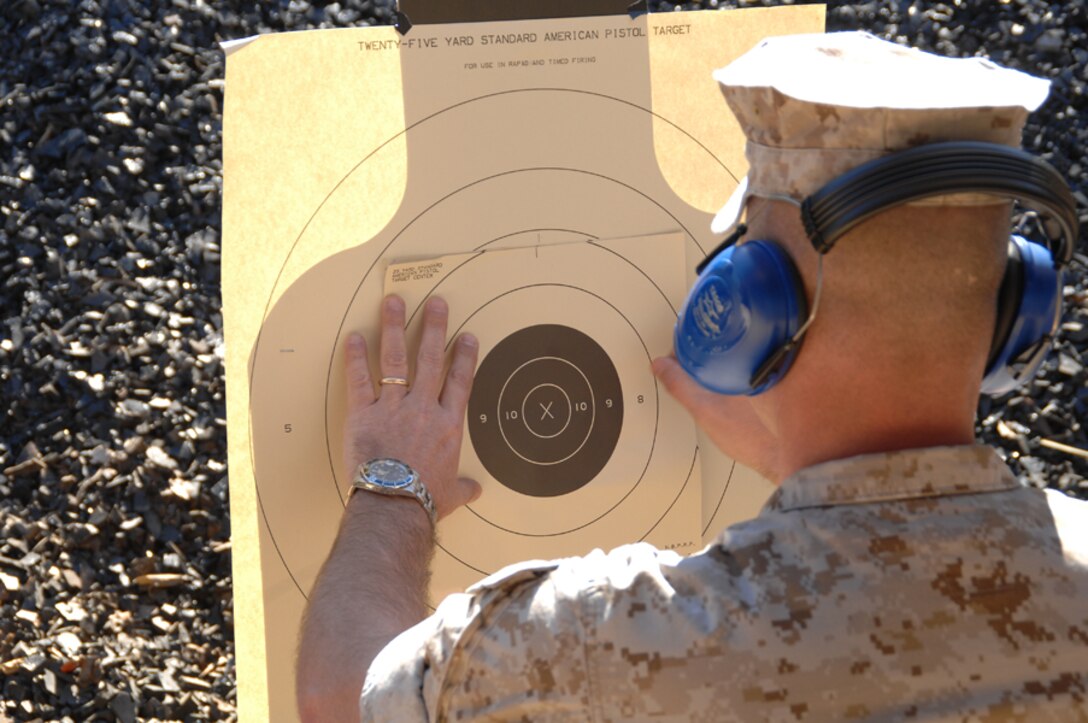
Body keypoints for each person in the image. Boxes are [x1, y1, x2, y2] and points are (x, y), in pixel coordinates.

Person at [295, 32, 1088, 722]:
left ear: (743, 305)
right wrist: (810, 446)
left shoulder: (608, 638)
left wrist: (392, 484)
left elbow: (344, 697)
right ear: (1014, 316)